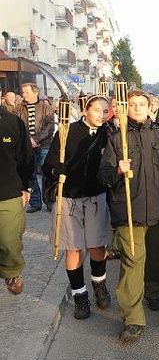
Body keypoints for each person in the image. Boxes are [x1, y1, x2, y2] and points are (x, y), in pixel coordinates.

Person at [98, 89, 159, 342]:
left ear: (150, 108)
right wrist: (117, 170)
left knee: (157, 257)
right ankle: (133, 317)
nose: (137, 108)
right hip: (129, 211)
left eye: (142, 104)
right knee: (132, 263)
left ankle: (155, 291)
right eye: (133, 104)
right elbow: (103, 176)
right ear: (126, 108)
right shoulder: (117, 139)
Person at [43, 95, 112, 319]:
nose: (102, 115)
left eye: (105, 111)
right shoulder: (65, 132)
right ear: (85, 110)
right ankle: (79, 294)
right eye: (98, 110)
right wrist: (56, 169)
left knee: (97, 246)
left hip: (96, 196)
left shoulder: (108, 134)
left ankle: (99, 284)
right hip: (69, 198)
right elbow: (48, 165)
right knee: (73, 248)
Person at [0, 83, 34, 295]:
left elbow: (26, 157)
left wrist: (26, 185)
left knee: (9, 238)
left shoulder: (13, 123)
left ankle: (12, 271)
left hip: (8, 190)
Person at [16, 83, 56, 213]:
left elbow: (50, 127)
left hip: (44, 145)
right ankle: (35, 202)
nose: (23, 95)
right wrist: (28, 140)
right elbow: (18, 125)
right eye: (23, 92)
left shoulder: (46, 108)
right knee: (30, 174)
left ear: (35, 93)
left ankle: (48, 200)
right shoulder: (19, 108)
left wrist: (36, 139)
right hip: (27, 146)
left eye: (26, 92)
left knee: (46, 174)